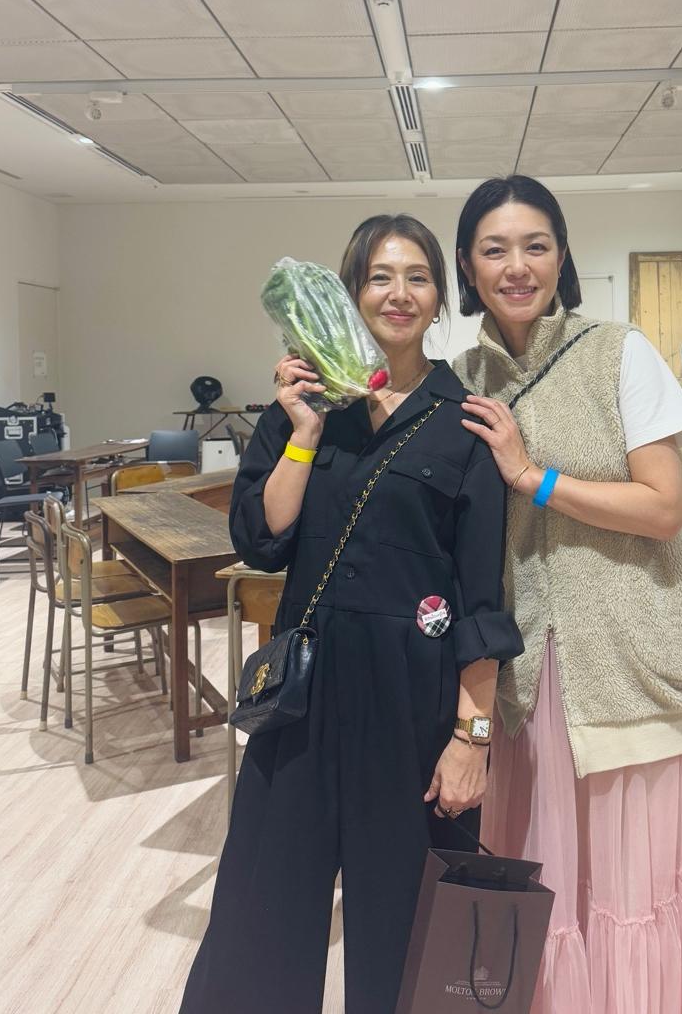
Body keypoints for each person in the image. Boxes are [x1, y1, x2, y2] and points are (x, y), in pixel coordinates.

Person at [179, 215, 523, 1014]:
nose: (399, 294)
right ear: (351, 293)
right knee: (260, 921)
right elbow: (262, 540)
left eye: (417, 277)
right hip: (302, 700)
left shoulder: (466, 422)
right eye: (379, 277)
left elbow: (481, 600)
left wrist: (471, 739)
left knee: (409, 938)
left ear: (440, 298)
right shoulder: (302, 405)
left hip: (414, 709)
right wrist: (302, 434)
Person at [451, 176, 682, 1013]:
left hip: (628, 653)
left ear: (563, 256)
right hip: (526, 671)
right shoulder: (462, 377)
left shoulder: (617, 350)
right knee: (546, 871)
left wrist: (533, 477)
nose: (517, 266)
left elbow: (663, 508)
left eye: (536, 245)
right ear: (468, 267)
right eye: (494, 250)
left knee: (634, 877)